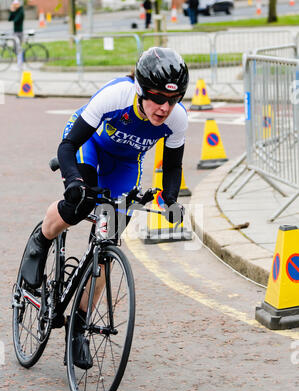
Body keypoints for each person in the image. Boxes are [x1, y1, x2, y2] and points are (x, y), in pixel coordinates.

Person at [20, 47, 189, 368]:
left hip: (125, 165)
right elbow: (68, 145)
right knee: (79, 206)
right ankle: (40, 242)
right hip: (90, 147)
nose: (164, 108)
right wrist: (73, 180)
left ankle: (78, 328)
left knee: (108, 241)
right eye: (156, 98)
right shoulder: (115, 97)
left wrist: (171, 200)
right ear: (141, 90)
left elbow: (172, 166)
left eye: (174, 99)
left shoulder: (177, 118)